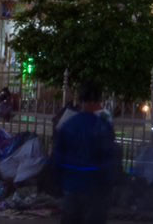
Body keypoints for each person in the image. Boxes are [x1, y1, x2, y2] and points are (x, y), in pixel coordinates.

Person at [50, 81, 120, 224]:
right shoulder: (101, 126)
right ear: (97, 101)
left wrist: (58, 182)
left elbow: (57, 157)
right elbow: (109, 158)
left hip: (72, 186)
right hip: (95, 188)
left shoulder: (69, 125)